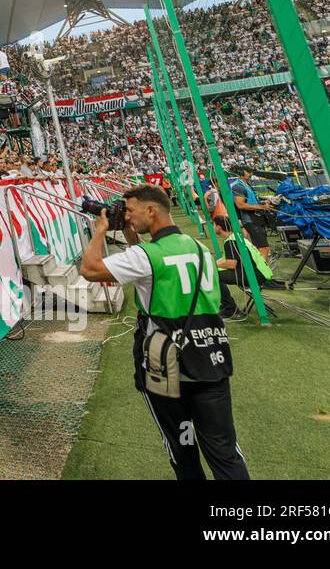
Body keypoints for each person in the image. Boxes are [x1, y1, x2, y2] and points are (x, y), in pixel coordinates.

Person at [79, 184, 248, 480]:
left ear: (151, 210)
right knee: (224, 452)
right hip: (209, 359)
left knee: (182, 450)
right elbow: (149, 265)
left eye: (130, 211)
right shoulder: (200, 248)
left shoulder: (147, 256)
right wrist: (132, 236)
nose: (127, 217)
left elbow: (90, 269)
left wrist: (100, 229)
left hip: (166, 369)